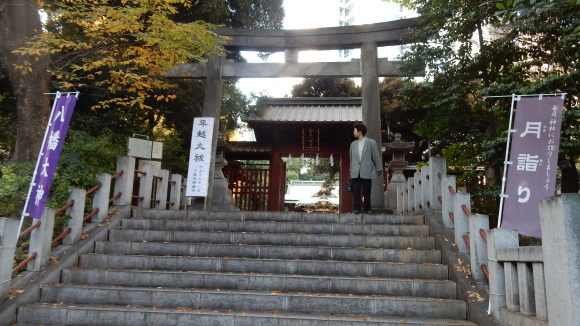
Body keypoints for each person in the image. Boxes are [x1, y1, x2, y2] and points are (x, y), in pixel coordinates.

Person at [349, 123, 382, 214]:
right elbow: (352, 159)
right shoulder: (353, 144)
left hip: (367, 170)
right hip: (356, 171)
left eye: (354, 130)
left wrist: (379, 168)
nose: (353, 132)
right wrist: (351, 170)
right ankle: (357, 208)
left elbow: (376, 156)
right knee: (356, 191)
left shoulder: (371, 143)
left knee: (367, 191)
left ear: (360, 131)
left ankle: (367, 208)